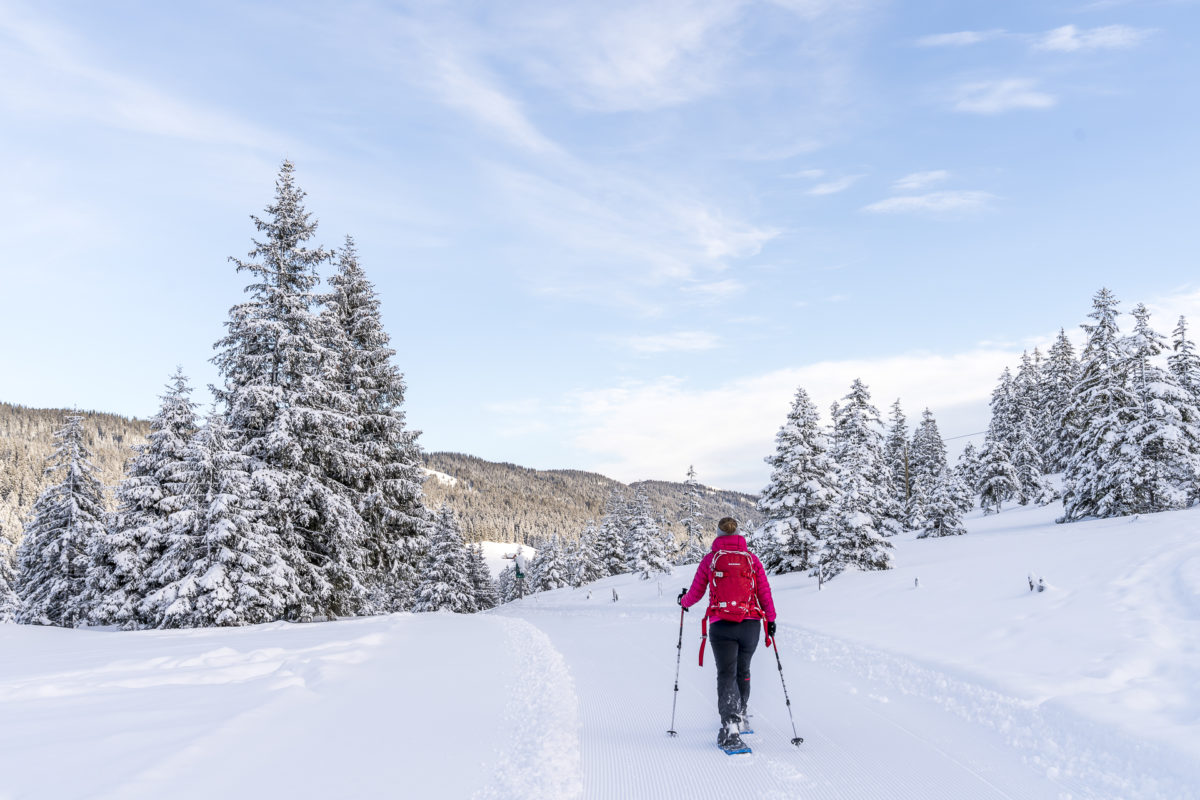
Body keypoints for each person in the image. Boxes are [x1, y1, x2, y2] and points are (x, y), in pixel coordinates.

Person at [678, 517, 777, 751]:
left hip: (721, 624)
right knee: (743, 670)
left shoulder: (711, 559)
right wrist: (770, 620)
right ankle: (741, 716)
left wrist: (683, 602)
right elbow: (764, 592)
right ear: (738, 533)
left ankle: (731, 729)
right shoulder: (751, 560)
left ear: (718, 533)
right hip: (750, 623)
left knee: (726, 674)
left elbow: (696, 591)